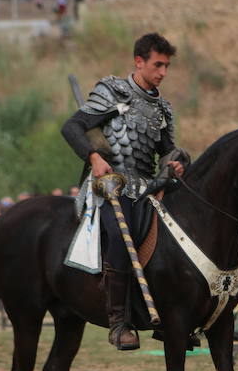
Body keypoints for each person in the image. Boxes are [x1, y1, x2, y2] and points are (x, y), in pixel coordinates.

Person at [61, 32, 188, 350]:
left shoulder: (162, 109)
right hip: (110, 186)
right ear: (139, 61)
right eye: (158, 65)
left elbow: (166, 150)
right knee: (121, 234)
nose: (163, 72)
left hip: (148, 186)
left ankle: (172, 313)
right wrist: (93, 157)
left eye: (167, 66)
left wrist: (178, 161)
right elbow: (72, 127)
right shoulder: (113, 92)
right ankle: (119, 322)